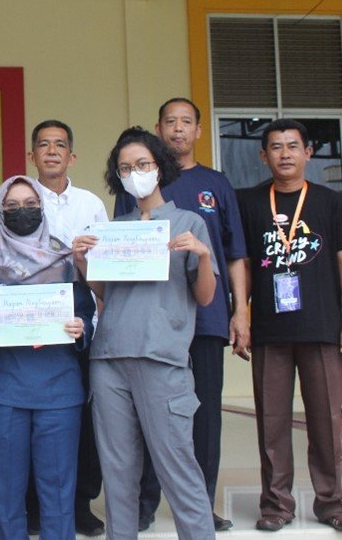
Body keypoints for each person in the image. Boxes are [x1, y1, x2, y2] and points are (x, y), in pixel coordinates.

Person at [71, 128, 217, 540]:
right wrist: (83, 262)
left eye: (142, 165)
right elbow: (104, 294)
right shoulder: (116, 228)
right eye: (125, 168)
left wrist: (202, 257)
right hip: (109, 359)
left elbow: (204, 297)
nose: (134, 173)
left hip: (162, 359)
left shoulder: (189, 223)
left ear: (159, 167)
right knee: (118, 472)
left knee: (178, 466)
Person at [113, 99, 247, 533]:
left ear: (198, 130)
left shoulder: (214, 185)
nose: (178, 128)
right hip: (144, 325)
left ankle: (200, 505)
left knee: (200, 416)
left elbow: (235, 254)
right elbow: (116, 269)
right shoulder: (127, 203)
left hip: (203, 319)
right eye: (169, 122)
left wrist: (240, 310)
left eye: (185, 121)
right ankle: (146, 504)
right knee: (145, 419)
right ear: (159, 129)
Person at [237, 119, 342, 533]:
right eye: (276, 147)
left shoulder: (329, 202)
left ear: (308, 153)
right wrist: (242, 314)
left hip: (322, 328)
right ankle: (276, 505)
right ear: (263, 156)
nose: (285, 153)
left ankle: (332, 503)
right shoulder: (250, 203)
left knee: (326, 421)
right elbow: (243, 264)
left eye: (293, 146)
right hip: (271, 331)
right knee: (271, 423)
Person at [0, 175, 93, 540]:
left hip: (58, 392)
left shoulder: (67, 259)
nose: (21, 211)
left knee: (58, 492)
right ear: (0, 211)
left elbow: (86, 313)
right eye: (11, 205)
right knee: (7, 494)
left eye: (29, 204)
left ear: (42, 207)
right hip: (3, 392)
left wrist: (79, 327)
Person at [28, 119, 108, 537]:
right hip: (30, 314)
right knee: (33, 414)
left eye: (60, 145)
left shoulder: (91, 204)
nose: (52, 151)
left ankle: (80, 504)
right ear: (32, 155)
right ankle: (35, 506)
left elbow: (107, 268)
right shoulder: (18, 197)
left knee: (79, 415)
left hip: (79, 313)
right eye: (44, 145)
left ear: (72, 156)